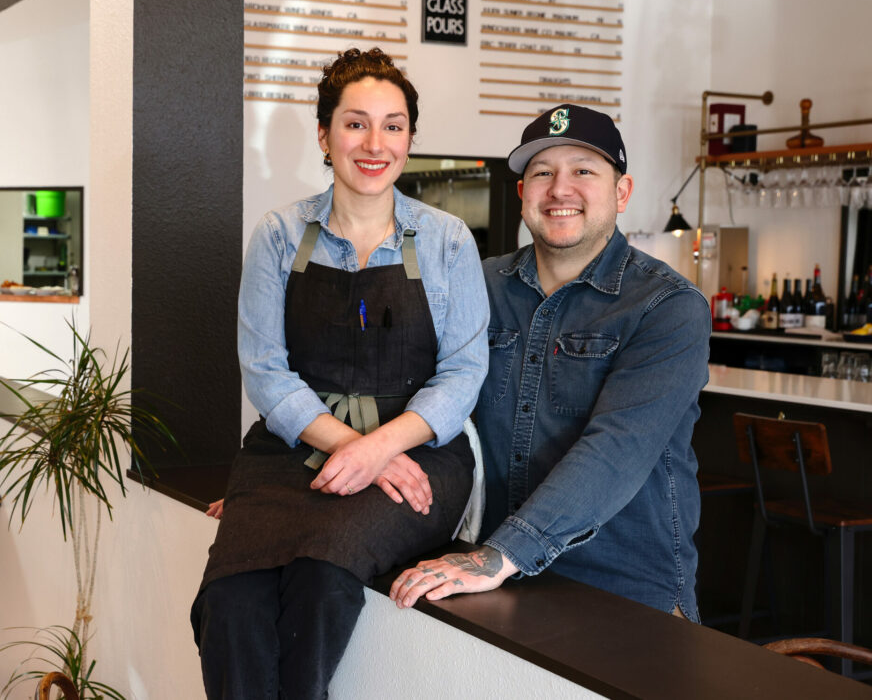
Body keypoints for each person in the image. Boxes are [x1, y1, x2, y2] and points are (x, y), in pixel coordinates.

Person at [190, 48, 489, 699]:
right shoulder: (278, 234)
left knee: (321, 584)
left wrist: (380, 449)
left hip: (416, 456)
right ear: (324, 134)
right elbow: (267, 372)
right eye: (356, 123)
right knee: (230, 603)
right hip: (294, 449)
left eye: (394, 124)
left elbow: (464, 372)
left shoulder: (445, 241)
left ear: (410, 137)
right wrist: (354, 449)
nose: (375, 143)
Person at [390, 104, 711, 621]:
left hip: (624, 589)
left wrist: (503, 554)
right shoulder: (478, 284)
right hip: (492, 577)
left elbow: (616, 449)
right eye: (542, 173)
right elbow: (403, 389)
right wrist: (292, 477)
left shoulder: (669, 307)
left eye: (584, 171)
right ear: (523, 194)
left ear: (621, 192)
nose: (560, 190)